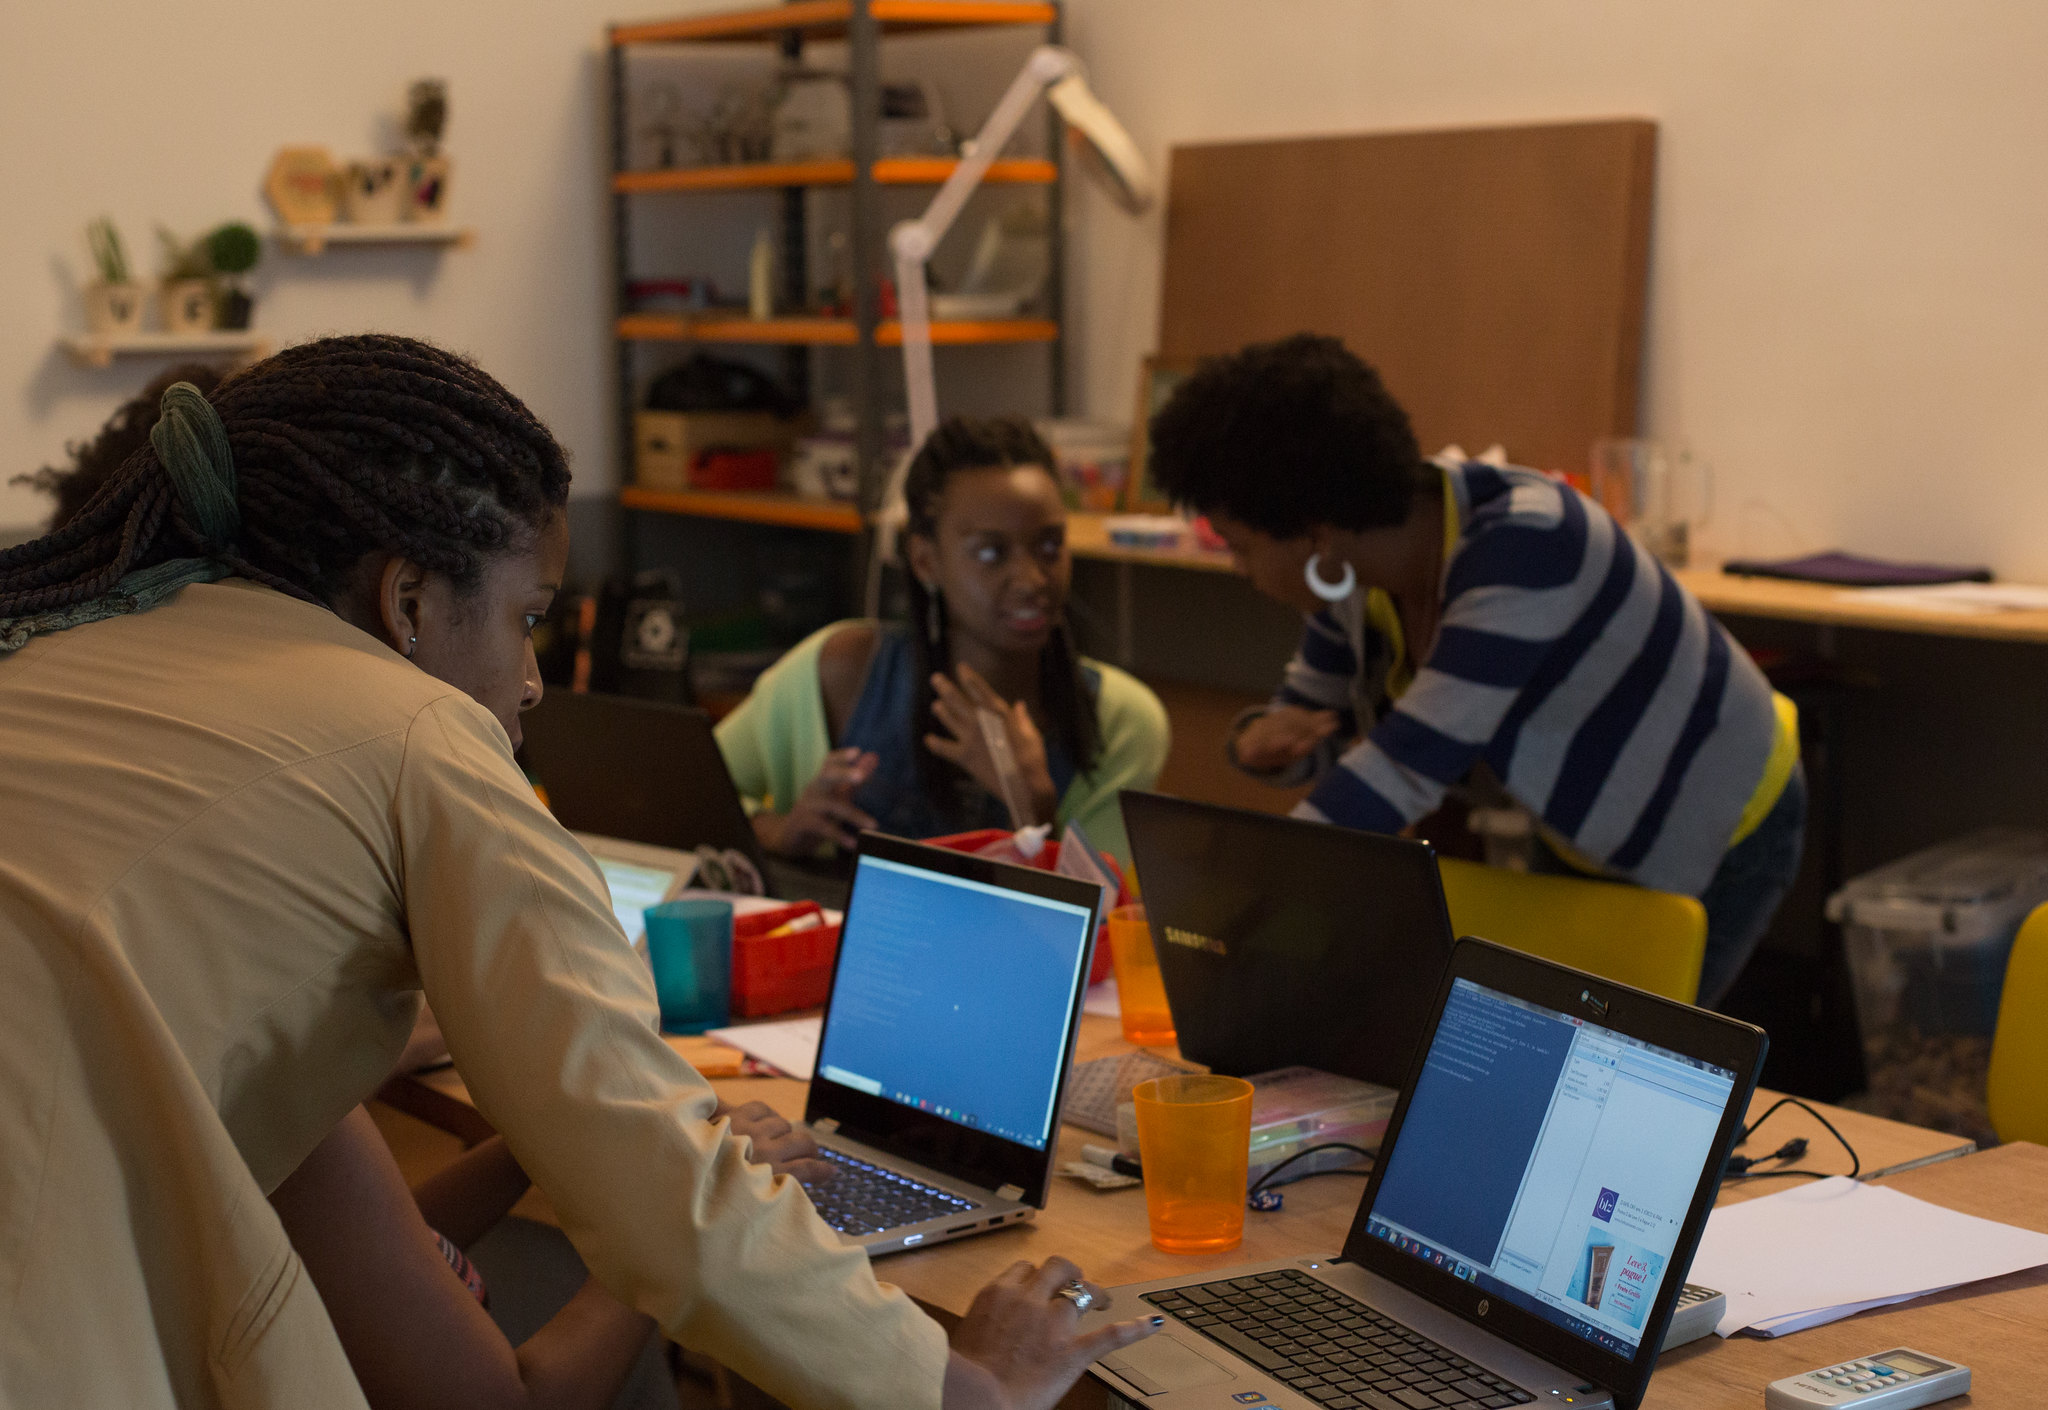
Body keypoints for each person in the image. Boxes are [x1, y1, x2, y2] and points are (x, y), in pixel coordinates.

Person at [0, 336, 1155, 1409]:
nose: (535, 679)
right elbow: (666, 1204)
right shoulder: (415, 734)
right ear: (407, 603)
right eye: (527, 618)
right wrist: (976, 1392)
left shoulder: (60, 656)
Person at [1146, 334, 1805, 1007]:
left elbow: (1406, 766)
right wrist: (1259, 743)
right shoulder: (1357, 574)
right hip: (1583, 815)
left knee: (1639, 1061)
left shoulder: (1529, 545)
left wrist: (1237, 911)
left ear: (1314, 532)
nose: (1239, 570)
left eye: (1240, 546)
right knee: (1560, 1041)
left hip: (1720, 806)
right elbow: (1316, 724)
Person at [716, 416, 1169, 870]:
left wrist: (1032, 814)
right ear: (925, 561)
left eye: (1050, 546)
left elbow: (1106, 925)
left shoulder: (1121, 722)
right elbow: (678, 795)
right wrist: (778, 829)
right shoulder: (838, 671)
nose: (1033, 579)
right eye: (991, 552)